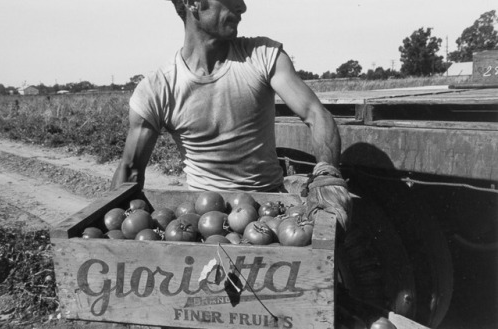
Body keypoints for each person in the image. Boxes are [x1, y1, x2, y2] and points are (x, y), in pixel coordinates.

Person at [111, 0, 350, 228]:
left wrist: (326, 174)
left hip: (270, 212)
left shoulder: (263, 56)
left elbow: (316, 115)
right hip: (201, 220)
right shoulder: (157, 90)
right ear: (194, 3)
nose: (243, 7)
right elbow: (130, 169)